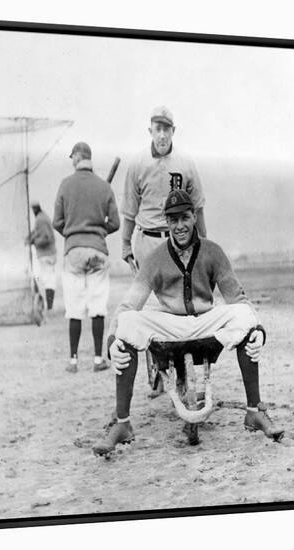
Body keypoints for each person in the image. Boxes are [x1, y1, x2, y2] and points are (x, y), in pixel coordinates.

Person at [93, 188, 284, 456]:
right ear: (167, 223)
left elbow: (237, 297)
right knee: (126, 323)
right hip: (170, 326)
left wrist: (258, 332)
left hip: (206, 322)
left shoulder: (212, 251)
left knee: (246, 317)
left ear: (194, 216)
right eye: (173, 220)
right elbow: (130, 303)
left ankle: (254, 412)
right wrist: (113, 341)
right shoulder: (156, 258)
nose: (179, 226)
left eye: (184, 218)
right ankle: (122, 424)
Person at [121, 106, 207, 397]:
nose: (161, 134)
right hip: (147, 241)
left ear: (173, 131)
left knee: (179, 305)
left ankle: (181, 373)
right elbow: (129, 211)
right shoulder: (137, 163)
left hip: (179, 241)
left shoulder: (185, 162)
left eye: (166, 129)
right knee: (149, 308)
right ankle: (157, 365)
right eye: (156, 129)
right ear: (150, 131)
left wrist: (203, 242)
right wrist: (124, 245)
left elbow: (197, 206)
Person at [53, 142, 120, 373]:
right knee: (98, 306)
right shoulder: (104, 187)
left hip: (73, 252)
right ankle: (98, 359)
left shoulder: (65, 184)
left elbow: (57, 222)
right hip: (98, 251)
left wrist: (73, 235)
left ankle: (73, 361)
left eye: (72, 157)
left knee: (74, 307)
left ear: (76, 158)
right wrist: (99, 230)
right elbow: (115, 223)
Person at [26, 201, 57, 318]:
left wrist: (34, 241)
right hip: (48, 254)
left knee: (47, 280)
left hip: (46, 254)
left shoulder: (40, 219)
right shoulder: (42, 217)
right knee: (47, 280)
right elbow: (38, 233)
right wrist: (31, 237)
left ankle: (49, 307)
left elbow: (46, 237)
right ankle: (48, 307)